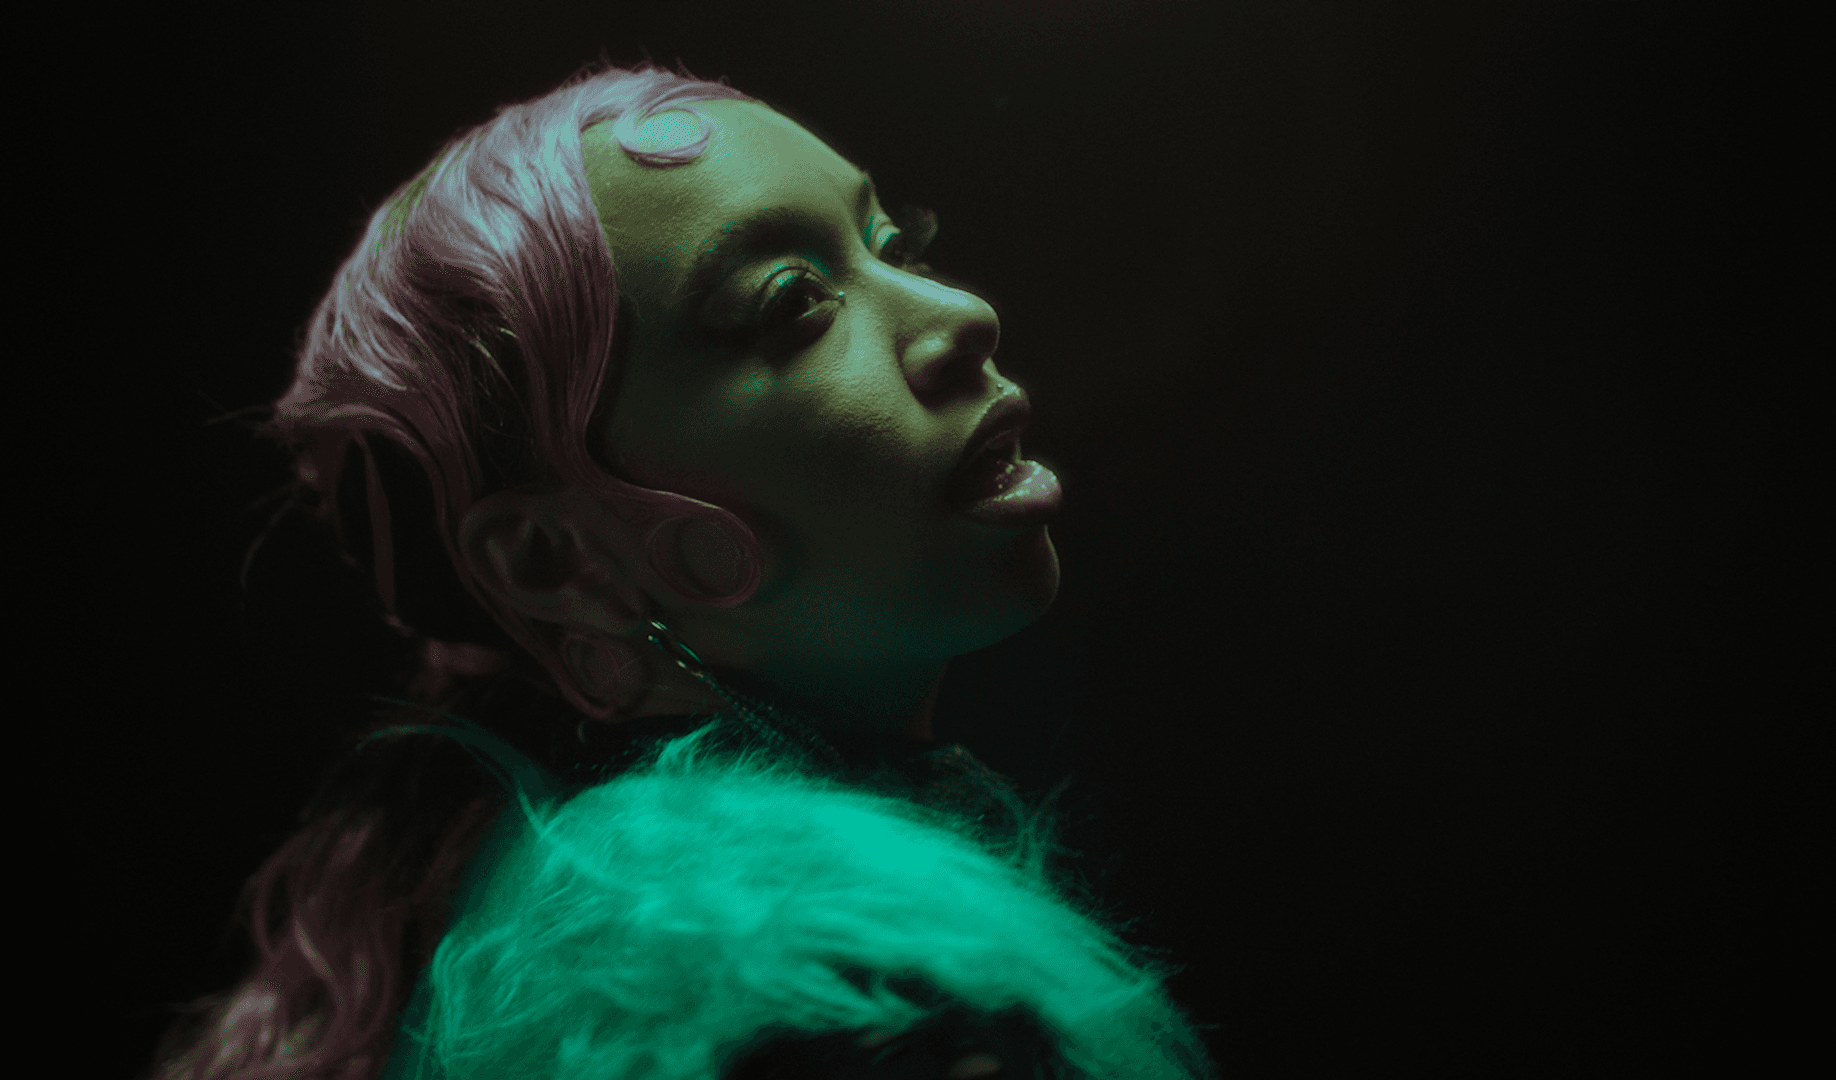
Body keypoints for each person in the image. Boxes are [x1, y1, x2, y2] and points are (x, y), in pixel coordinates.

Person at [151, 63, 1206, 1079]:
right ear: (557, 561)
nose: (963, 315)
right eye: (794, 302)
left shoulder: (643, 955)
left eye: (897, 246)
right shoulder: (838, 1011)